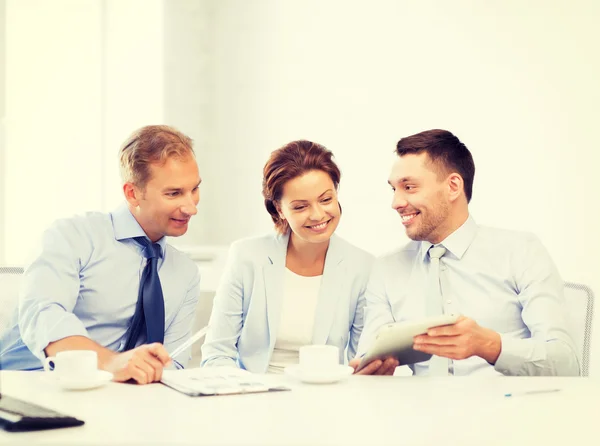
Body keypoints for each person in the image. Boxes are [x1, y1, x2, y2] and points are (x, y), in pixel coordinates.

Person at [351, 129, 579, 376]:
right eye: (394, 189)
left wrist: (489, 345)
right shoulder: (386, 269)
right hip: (418, 411)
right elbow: (368, 356)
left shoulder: (520, 251)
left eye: (409, 187)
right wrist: (370, 371)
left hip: (508, 409)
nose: (396, 202)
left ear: (453, 187)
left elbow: (566, 363)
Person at [0, 125, 202, 384]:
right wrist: (111, 362)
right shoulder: (73, 236)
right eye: (174, 193)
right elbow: (44, 315)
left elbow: (174, 363)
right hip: (28, 386)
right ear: (133, 193)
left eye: (194, 189)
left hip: (118, 401)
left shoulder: (185, 272)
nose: (191, 207)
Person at [201, 140, 374, 373]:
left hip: (326, 397)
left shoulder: (363, 267)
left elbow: (361, 361)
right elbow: (217, 353)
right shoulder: (246, 257)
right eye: (300, 207)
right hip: (252, 395)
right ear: (279, 210)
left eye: (326, 199)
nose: (317, 215)